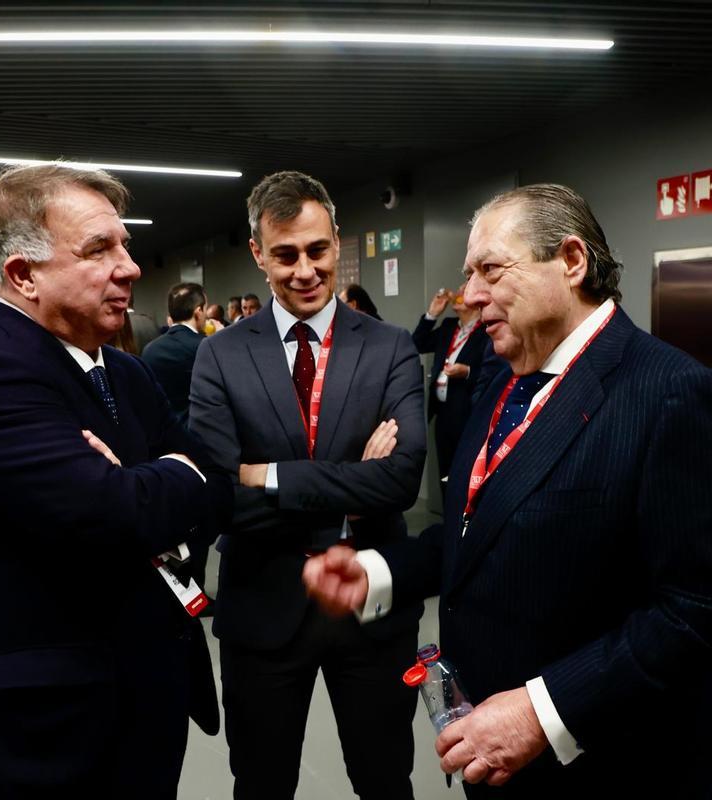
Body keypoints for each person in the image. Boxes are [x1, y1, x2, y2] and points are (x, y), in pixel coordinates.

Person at [305, 184, 712, 797]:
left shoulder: (672, 394)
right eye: (469, 275)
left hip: (617, 764)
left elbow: (708, 611)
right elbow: (480, 527)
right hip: (497, 755)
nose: (469, 295)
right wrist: (378, 572)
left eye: (490, 269)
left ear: (571, 261)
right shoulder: (505, 384)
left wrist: (543, 712)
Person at [0, 162, 231, 799]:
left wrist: (147, 486)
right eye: (99, 249)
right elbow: (120, 513)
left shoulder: (125, 372)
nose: (131, 267)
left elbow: (214, 487)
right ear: (23, 276)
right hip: (46, 734)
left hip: (143, 702)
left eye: (125, 244)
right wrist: (156, 482)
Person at [190, 170, 427, 799]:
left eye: (318, 251)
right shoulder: (219, 355)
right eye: (285, 255)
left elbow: (402, 481)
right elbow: (220, 494)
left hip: (372, 609)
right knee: (262, 785)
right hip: (263, 606)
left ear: (336, 242)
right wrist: (356, 478)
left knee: (385, 781)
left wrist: (264, 475)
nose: (305, 271)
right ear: (258, 254)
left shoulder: (390, 347)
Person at [412, 282, 488, 485]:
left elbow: (494, 371)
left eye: (465, 291)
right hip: (442, 412)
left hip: (466, 412)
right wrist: (432, 314)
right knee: (445, 471)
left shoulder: (486, 330)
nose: (458, 293)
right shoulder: (448, 327)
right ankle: (448, 517)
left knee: (465, 472)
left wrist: (467, 372)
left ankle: (462, 516)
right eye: (460, 290)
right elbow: (416, 344)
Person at [141, 282, 207, 425]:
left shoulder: (150, 349)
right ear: (199, 312)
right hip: (196, 432)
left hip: (161, 432)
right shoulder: (205, 347)